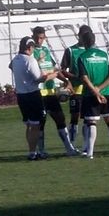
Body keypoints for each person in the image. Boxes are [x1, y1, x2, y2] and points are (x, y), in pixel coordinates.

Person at [32, 26, 78, 157]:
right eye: (36, 37)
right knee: (41, 123)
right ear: (33, 36)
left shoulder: (46, 50)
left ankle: (69, 148)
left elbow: (53, 70)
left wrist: (66, 80)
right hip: (39, 93)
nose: (39, 40)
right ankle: (41, 151)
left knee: (60, 119)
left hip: (50, 92)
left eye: (41, 38)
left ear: (45, 38)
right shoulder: (31, 52)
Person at [9, 37, 57, 160]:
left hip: (21, 95)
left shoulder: (15, 59)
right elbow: (39, 79)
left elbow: (12, 67)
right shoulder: (30, 60)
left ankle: (32, 151)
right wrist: (53, 75)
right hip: (32, 94)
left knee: (29, 125)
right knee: (36, 125)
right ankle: (32, 153)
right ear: (29, 47)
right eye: (33, 47)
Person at [78, 31, 109, 159]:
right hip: (106, 93)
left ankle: (90, 153)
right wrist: (101, 89)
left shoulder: (82, 57)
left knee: (92, 122)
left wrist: (95, 90)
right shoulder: (105, 55)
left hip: (90, 94)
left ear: (84, 41)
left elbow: (84, 78)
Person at [61, 25, 91, 149]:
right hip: (75, 89)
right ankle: (72, 144)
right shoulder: (70, 50)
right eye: (83, 35)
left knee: (89, 117)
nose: (84, 38)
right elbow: (62, 70)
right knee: (75, 116)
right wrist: (75, 77)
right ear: (78, 35)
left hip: (89, 89)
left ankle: (86, 145)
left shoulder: (92, 51)